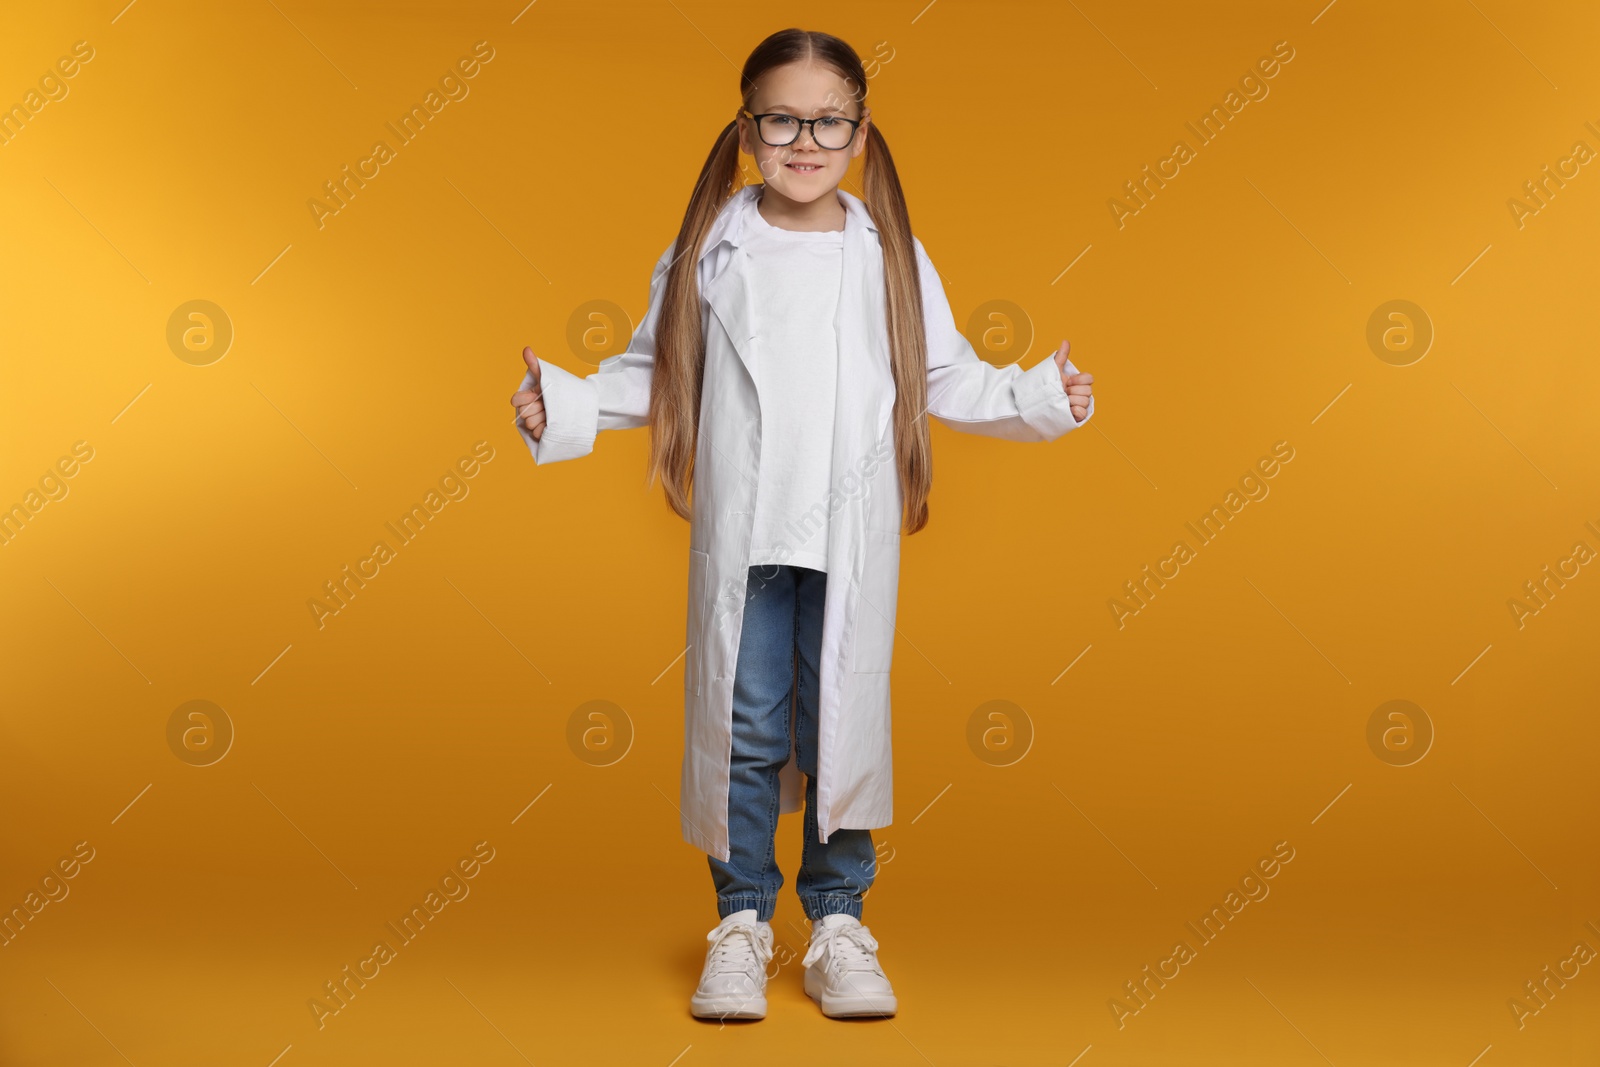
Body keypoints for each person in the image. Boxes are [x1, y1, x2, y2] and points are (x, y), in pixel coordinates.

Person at [510, 27, 1095, 1022]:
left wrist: (1043, 395)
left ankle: (836, 925)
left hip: (846, 538)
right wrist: (562, 405)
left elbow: (945, 370)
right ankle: (739, 921)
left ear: (860, 132)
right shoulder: (709, 250)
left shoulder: (890, 256)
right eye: (782, 118)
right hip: (753, 537)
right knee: (743, 729)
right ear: (748, 129)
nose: (805, 138)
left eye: (828, 120)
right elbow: (659, 370)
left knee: (841, 725)